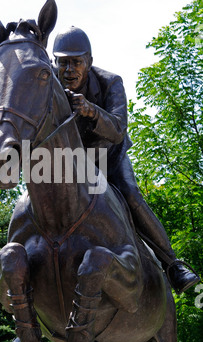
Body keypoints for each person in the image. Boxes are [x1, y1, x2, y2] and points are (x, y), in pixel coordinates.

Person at [52, 26, 199, 294]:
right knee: (36, 198)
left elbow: (118, 130)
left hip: (109, 157)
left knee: (131, 194)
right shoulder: (45, 83)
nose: (69, 70)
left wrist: (90, 110)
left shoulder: (110, 82)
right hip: (70, 163)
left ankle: (173, 264)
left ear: (89, 62)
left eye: (76, 62)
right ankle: (1, 268)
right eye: (63, 63)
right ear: (54, 63)